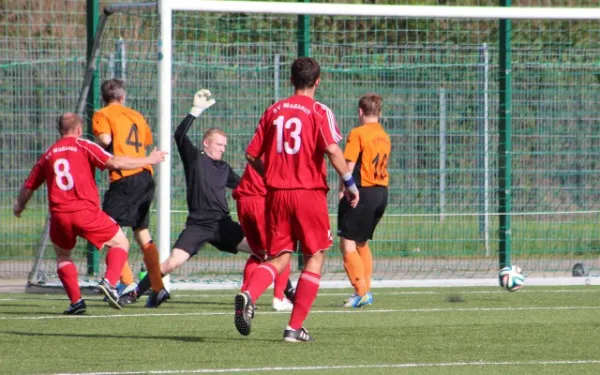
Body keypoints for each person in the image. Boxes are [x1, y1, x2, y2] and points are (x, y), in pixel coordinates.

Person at [234, 57, 359, 342]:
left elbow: (251, 155)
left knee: (278, 257)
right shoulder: (318, 110)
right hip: (308, 193)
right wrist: (350, 183)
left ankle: (249, 293)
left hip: (276, 194)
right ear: (318, 81)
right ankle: (294, 327)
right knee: (315, 256)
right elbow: (332, 150)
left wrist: (272, 175)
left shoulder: (274, 110)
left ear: (291, 80)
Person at [13, 112, 167, 314]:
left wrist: (19, 206)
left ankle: (76, 302)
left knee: (63, 256)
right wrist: (148, 159)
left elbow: (29, 186)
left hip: (59, 216)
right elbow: (115, 163)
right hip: (86, 213)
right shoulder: (84, 145)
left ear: (59, 130)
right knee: (121, 242)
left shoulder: (49, 154)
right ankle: (110, 283)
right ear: (79, 129)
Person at [118, 89, 253, 307]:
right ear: (206, 143)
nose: (223, 149)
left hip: (222, 224)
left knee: (264, 249)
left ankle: (287, 292)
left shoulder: (224, 168)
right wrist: (195, 110)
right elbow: (179, 135)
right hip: (198, 225)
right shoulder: (195, 159)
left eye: (225, 146)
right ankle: (135, 293)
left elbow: (246, 186)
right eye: (219, 144)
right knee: (172, 263)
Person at [92, 78, 167, 307]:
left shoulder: (102, 114)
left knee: (105, 230)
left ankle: (125, 283)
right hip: (145, 176)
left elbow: (106, 141)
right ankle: (157, 286)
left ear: (103, 98)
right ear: (123, 97)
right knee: (142, 232)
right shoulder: (136, 115)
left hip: (125, 177)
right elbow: (144, 141)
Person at [337, 93, 390, 308]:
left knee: (347, 242)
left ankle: (361, 291)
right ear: (379, 113)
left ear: (360, 112)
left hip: (362, 191)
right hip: (381, 193)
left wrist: (342, 191)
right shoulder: (384, 136)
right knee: (361, 242)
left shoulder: (357, 133)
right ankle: (364, 289)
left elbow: (348, 166)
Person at [233, 162, 294, 311]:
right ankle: (279, 298)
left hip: (243, 202)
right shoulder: (278, 146)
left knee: (258, 252)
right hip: (260, 201)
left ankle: (246, 296)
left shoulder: (260, 143)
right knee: (282, 250)